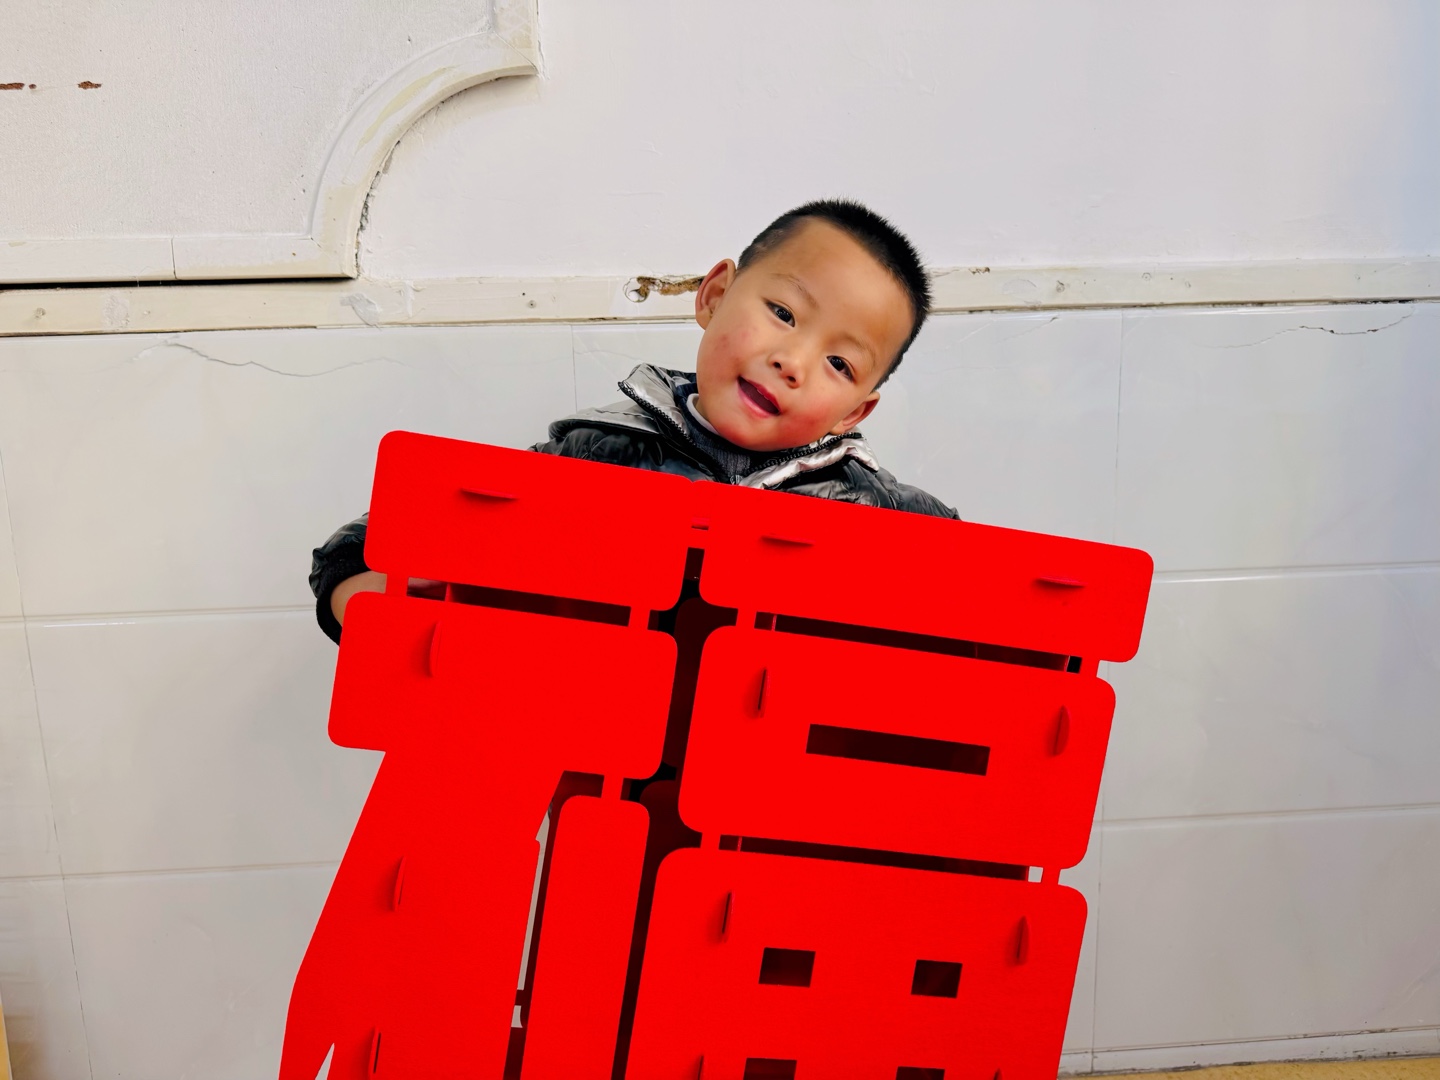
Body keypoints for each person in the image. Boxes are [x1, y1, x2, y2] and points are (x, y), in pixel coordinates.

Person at [310, 198, 958, 644]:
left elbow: (984, 608)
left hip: (771, 787)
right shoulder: (598, 452)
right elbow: (363, 547)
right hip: (594, 768)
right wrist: (390, 594)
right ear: (715, 296)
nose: (794, 362)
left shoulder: (882, 515)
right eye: (784, 314)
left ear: (854, 412)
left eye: (840, 364)